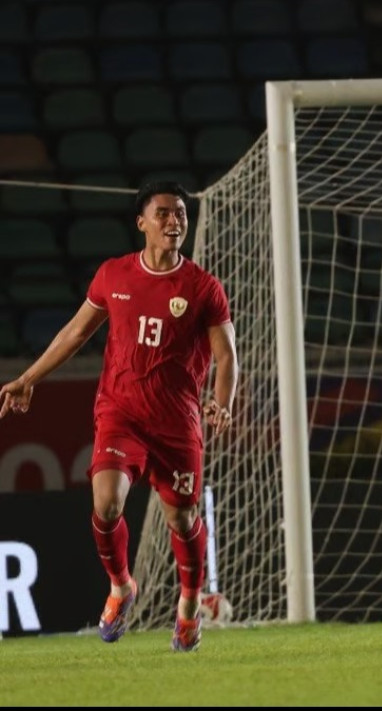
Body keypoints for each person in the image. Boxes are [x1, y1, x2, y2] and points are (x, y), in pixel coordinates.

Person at [0, 182, 238, 650]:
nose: (175, 222)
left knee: (183, 519)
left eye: (182, 215)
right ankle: (121, 586)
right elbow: (74, 334)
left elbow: (226, 355)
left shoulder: (203, 287)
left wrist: (222, 401)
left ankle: (189, 604)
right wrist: (30, 377)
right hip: (121, 414)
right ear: (142, 222)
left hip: (177, 422)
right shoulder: (114, 275)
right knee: (106, 504)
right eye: (164, 213)